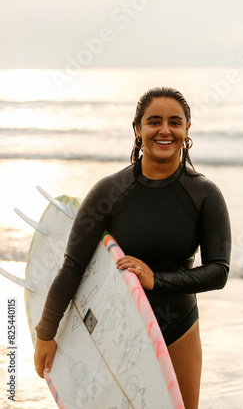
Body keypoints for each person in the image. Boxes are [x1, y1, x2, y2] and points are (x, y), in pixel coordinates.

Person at [34, 87, 231, 409]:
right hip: (116, 325)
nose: (165, 130)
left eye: (175, 122)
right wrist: (46, 332)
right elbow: (73, 266)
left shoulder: (204, 194)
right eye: (154, 122)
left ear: (187, 131)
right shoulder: (108, 192)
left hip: (178, 326)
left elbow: (218, 272)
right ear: (138, 130)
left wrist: (158, 280)